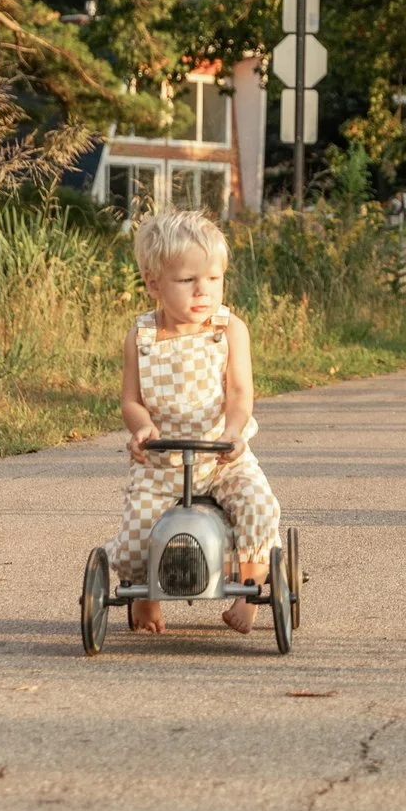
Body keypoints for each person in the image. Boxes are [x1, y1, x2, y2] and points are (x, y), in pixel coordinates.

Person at [112, 210, 283, 635]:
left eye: (213, 279)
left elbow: (240, 394)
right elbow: (131, 399)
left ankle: (248, 591)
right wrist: (143, 428)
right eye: (188, 281)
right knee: (136, 537)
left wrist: (233, 431)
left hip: (222, 454)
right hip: (162, 461)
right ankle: (145, 599)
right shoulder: (142, 336)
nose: (203, 290)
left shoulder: (229, 330)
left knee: (258, 505)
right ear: (154, 283)